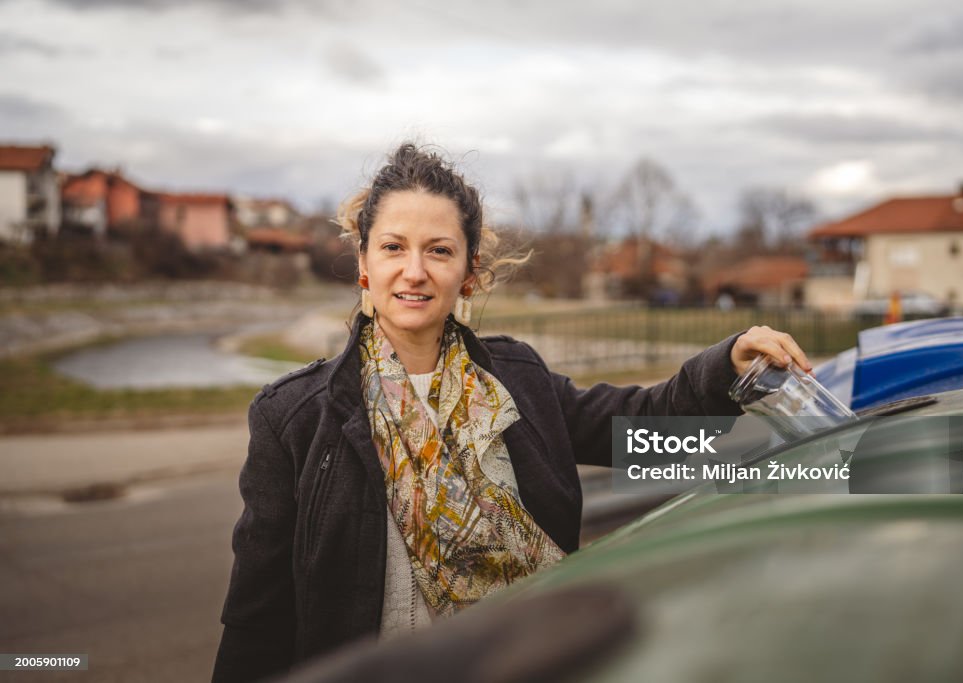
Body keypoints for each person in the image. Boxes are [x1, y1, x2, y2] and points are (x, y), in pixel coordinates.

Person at [211, 142, 812, 682]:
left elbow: (642, 429)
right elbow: (255, 623)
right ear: (364, 263)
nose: (414, 270)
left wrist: (728, 362)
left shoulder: (518, 380)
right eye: (393, 247)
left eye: (439, 251)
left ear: (469, 274)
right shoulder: (292, 419)